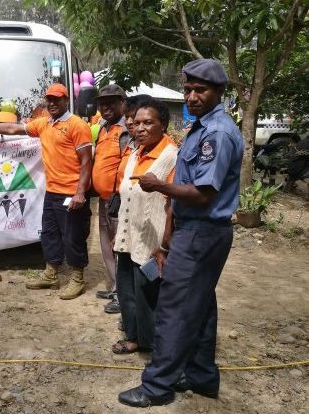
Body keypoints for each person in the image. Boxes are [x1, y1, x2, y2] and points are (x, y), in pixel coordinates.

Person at [118, 59, 244, 407]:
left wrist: (159, 185)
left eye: (199, 90)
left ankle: (157, 386)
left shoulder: (216, 133)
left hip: (202, 232)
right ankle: (201, 375)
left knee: (173, 308)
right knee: (200, 305)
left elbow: (203, 193)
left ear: (219, 91)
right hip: (196, 230)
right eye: (187, 89)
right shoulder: (201, 127)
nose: (191, 96)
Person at [0, 83, 93, 300]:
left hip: (72, 193)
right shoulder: (44, 124)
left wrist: (80, 193)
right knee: (49, 234)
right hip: (52, 191)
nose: (52, 103)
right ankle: (51, 275)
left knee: (73, 237)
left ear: (66, 100)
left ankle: (77, 279)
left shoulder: (77, 125)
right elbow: (11, 129)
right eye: (49, 99)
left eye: (57, 99)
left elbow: (86, 161)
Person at [111, 99, 177, 355]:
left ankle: (153, 344)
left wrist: (164, 245)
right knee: (127, 289)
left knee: (149, 294)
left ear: (163, 125)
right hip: (129, 236)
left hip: (152, 242)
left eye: (148, 123)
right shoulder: (135, 153)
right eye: (136, 123)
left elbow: (173, 205)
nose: (140, 128)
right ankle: (134, 336)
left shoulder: (171, 156)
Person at [90, 84, 130, 314]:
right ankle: (115, 285)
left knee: (120, 245)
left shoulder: (126, 130)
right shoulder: (103, 128)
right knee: (106, 243)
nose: (106, 107)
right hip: (105, 200)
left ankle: (122, 293)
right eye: (102, 103)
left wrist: (118, 193)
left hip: (119, 200)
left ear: (123, 103)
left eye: (111, 103)